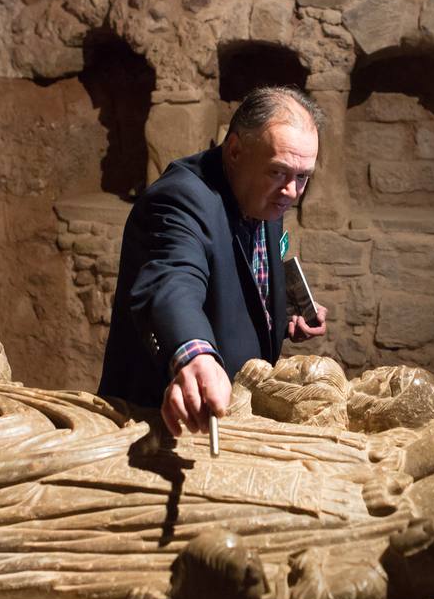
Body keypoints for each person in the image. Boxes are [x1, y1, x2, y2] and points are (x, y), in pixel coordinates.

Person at [100, 86, 329, 436]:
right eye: (279, 172)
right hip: (164, 418)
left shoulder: (265, 191)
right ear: (235, 150)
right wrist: (194, 356)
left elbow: (238, 281)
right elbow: (173, 282)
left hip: (234, 413)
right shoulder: (179, 199)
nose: (293, 192)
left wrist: (280, 320)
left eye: (303, 176)